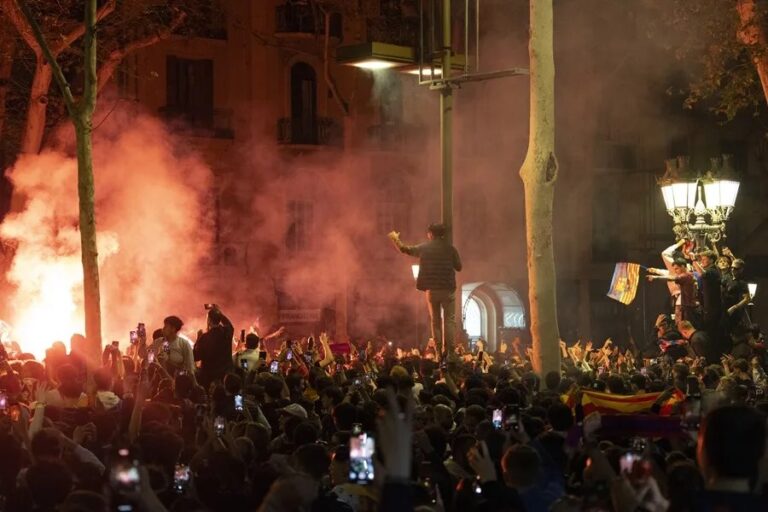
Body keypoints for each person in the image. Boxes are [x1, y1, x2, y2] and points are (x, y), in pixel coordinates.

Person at [388, 223, 462, 361]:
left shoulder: (425, 248)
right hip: (448, 288)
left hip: (432, 289)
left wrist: (395, 238)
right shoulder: (450, 249)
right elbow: (459, 267)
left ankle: (438, 352)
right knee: (450, 321)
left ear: (431, 234)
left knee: (435, 321)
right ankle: (451, 352)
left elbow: (405, 249)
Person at [194, 305, 235, 388]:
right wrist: (219, 313)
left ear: (208, 320)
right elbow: (229, 325)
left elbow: (195, 356)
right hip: (225, 376)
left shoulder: (205, 337)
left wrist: (198, 339)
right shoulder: (227, 332)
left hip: (209, 377)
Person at [722, 259, 750, 336]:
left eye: (736, 268)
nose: (733, 270)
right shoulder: (727, 277)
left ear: (741, 270)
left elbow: (747, 299)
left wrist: (734, 307)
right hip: (722, 309)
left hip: (733, 313)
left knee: (731, 332)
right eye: (732, 267)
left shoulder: (742, 282)